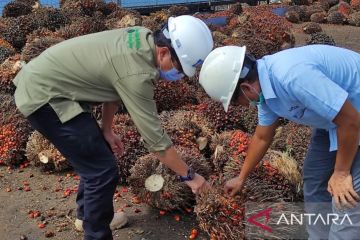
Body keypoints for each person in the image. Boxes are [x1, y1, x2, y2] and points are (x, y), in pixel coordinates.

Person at [13, 15, 213, 240]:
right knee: (101, 170)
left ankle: (85, 216)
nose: (179, 76)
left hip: (51, 85)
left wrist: (107, 129)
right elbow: (156, 141)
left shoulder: (140, 36)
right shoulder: (138, 74)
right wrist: (190, 177)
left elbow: (115, 85)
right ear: (164, 52)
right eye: (179, 69)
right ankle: (96, 234)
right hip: (45, 96)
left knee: (96, 155)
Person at [199, 45, 360, 239]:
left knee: (346, 197)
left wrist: (341, 173)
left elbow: (351, 121)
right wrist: (241, 178)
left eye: (234, 102)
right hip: (336, 120)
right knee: (315, 176)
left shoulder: (292, 77)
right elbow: (262, 136)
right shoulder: (265, 91)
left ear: (245, 88)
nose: (239, 107)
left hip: (352, 118)